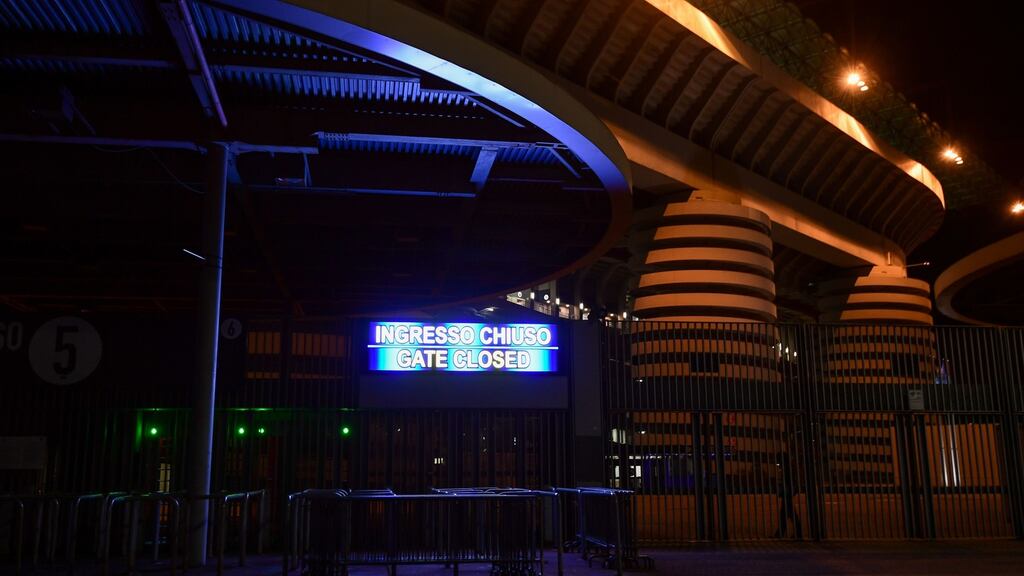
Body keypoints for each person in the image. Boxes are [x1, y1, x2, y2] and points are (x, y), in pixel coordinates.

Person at [774, 450, 803, 538]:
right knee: (786, 514)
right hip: (788, 494)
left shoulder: (787, 469)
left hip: (787, 494)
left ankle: (797, 533)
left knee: (789, 514)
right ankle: (781, 533)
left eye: (778, 459)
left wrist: (785, 491)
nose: (777, 462)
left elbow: (788, 482)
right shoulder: (788, 468)